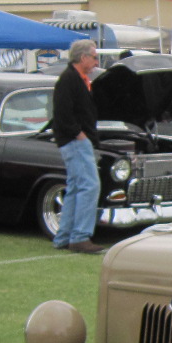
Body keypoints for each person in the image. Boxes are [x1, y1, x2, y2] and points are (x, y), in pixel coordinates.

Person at [51, 39, 104, 254]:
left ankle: (64, 236)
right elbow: (62, 113)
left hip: (76, 140)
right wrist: (79, 135)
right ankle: (81, 236)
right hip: (74, 141)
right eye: (93, 57)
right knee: (90, 186)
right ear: (83, 58)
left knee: (75, 187)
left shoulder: (79, 79)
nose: (96, 61)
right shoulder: (68, 79)